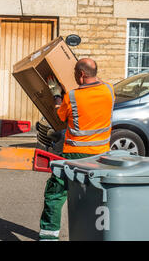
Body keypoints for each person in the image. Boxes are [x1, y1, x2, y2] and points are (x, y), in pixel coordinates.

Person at [38, 58, 115, 241]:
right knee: (96, 194)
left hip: (74, 153)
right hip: (102, 154)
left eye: (75, 72)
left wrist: (56, 93)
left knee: (55, 192)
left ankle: (49, 237)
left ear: (81, 74)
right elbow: (98, 81)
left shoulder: (72, 96)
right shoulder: (109, 90)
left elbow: (60, 115)